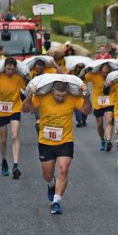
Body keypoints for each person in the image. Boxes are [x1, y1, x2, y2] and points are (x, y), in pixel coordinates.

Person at [22, 80, 92, 214]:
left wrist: (87, 97)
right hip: (46, 142)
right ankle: (51, 184)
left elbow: (87, 111)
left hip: (65, 140)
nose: (61, 98)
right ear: (52, 91)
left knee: (63, 169)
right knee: (47, 175)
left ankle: (56, 201)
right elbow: (25, 109)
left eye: (63, 95)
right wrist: (29, 95)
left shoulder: (73, 98)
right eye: (58, 95)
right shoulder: (42, 97)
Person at [0, 57, 26, 178]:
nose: (10, 71)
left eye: (12, 69)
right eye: (8, 68)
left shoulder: (19, 78)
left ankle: (16, 164)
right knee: (3, 139)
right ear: (4, 68)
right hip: (0, 111)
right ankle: (4, 161)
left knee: (15, 135)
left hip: (15, 108)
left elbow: (25, 89)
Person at [85, 63, 115, 151]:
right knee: (99, 124)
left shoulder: (113, 76)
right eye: (104, 72)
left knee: (109, 120)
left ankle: (108, 141)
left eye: (107, 71)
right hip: (98, 102)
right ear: (100, 70)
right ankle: (102, 140)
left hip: (110, 100)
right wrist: (86, 70)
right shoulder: (94, 75)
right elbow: (83, 79)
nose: (105, 74)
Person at [30, 59, 62, 134]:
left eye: (40, 69)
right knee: (38, 119)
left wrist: (54, 64)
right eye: (37, 68)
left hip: (48, 98)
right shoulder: (32, 72)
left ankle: (47, 131)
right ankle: (40, 132)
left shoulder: (50, 71)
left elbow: (60, 73)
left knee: (48, 118)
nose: (38, 70)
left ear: (44, 67)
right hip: (36, 98)